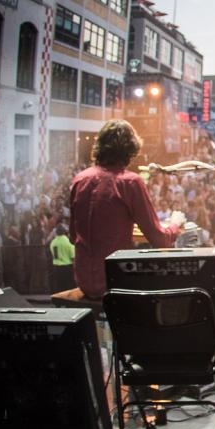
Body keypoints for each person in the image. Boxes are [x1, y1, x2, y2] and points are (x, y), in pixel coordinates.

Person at [68, 119, 177, 299]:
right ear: (130, 151)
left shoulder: (79, 179)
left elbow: (74, 236)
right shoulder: (130, 182)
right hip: (114, 280)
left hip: (84, 280)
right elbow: (160, 240)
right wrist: (174, 225)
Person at [48, 223, 75, 293]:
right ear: (64, 232)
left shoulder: (53, 242)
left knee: (59, 286)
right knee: (69, 287)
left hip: (56, 267)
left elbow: (53, 254)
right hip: (67, 267)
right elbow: (73, 256)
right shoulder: (68, 242)